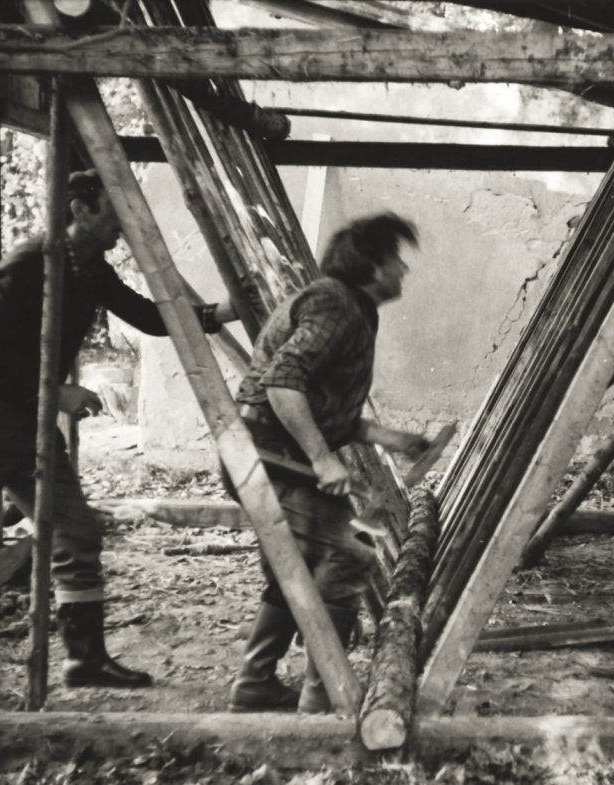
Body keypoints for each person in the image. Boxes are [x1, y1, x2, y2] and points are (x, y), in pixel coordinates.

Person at [0, 169, 237, 688]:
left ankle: (85, 661)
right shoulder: (29, 264)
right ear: (81, 209)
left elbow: (149, 317)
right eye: (114, 211)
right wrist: (56, 392)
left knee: (76, 532)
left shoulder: (90, 268)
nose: (122, 226)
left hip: (26, 423)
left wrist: (224, 311)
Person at [227, 212, 428, 713]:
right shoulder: (337, 304)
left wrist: (390, 437)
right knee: (349, 551)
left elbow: (321, 405)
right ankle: (325, 694)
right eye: (396, 259)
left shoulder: (352, 307)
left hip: (267, 448)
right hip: (269, 454)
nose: (404, 269)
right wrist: (321, 459)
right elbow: (282, 382)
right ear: (373, 267)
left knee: (297, 562)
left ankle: (255, 683)